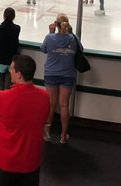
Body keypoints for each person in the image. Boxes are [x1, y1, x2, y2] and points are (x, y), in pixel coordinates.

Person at [0, 55, 50, 186]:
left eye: (11, 69)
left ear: (19, 74)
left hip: (3, 163)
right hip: (30, 164)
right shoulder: (44, 97)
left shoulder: (3, 97)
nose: (10, 71)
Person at [41, 14, 77, 144]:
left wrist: (50, 33)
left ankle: (47, 132)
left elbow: (43, 49)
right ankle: (63, 135)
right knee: (64, 105)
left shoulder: (50, 38)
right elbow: (80, 49)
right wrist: (71, 34)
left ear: (56, 24)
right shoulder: (73, 39)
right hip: (67, 74)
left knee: (51, 104)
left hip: (51, 73)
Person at [0, 8, 21, 91]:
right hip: (11, 61)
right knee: (8, 87)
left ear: (4, 16)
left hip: (0, 59)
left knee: (0, 83)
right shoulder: (17, 28)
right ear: (14, 17)